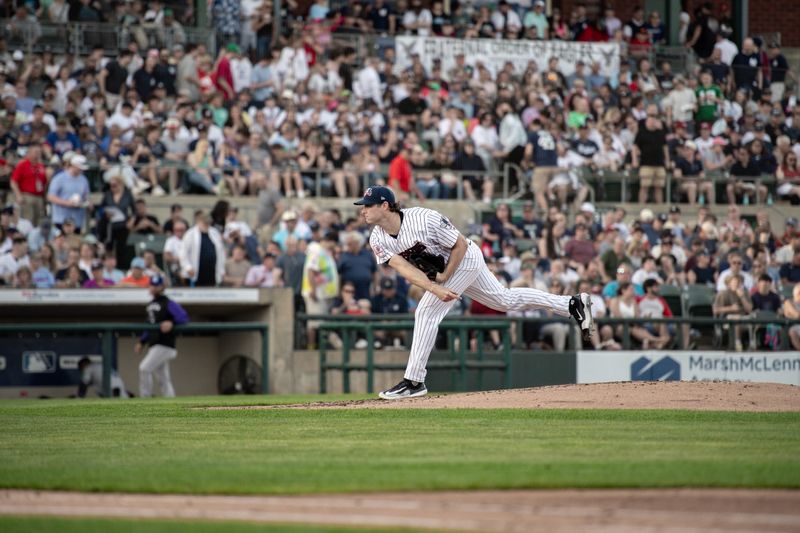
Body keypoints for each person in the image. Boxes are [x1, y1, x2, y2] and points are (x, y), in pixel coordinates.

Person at [355, 186, 593, 400]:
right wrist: (435, 287)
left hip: (465, 258)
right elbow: (402, 268)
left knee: (426, 312)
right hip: (446, 272)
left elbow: (459, 245)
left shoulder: (424, 218)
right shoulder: (377, 236)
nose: (363, 211)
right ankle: (571, 304)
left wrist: (445, 277)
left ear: (385, 205)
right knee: (504, 300)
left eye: (367, 206)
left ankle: (414, 381)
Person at [135, 274, 189, 398]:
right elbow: (149, 326)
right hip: (154, 344)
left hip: (165, 344)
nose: (154, 288)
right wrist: (141, 342)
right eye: (152, 285)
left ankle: (145, 398)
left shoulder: (167, 303)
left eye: (157, 285)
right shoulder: (150, 305)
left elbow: (183, 317)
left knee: (144, 368)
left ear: (162, 287)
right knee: (163, 377)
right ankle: (170, 400)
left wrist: (172, 322)